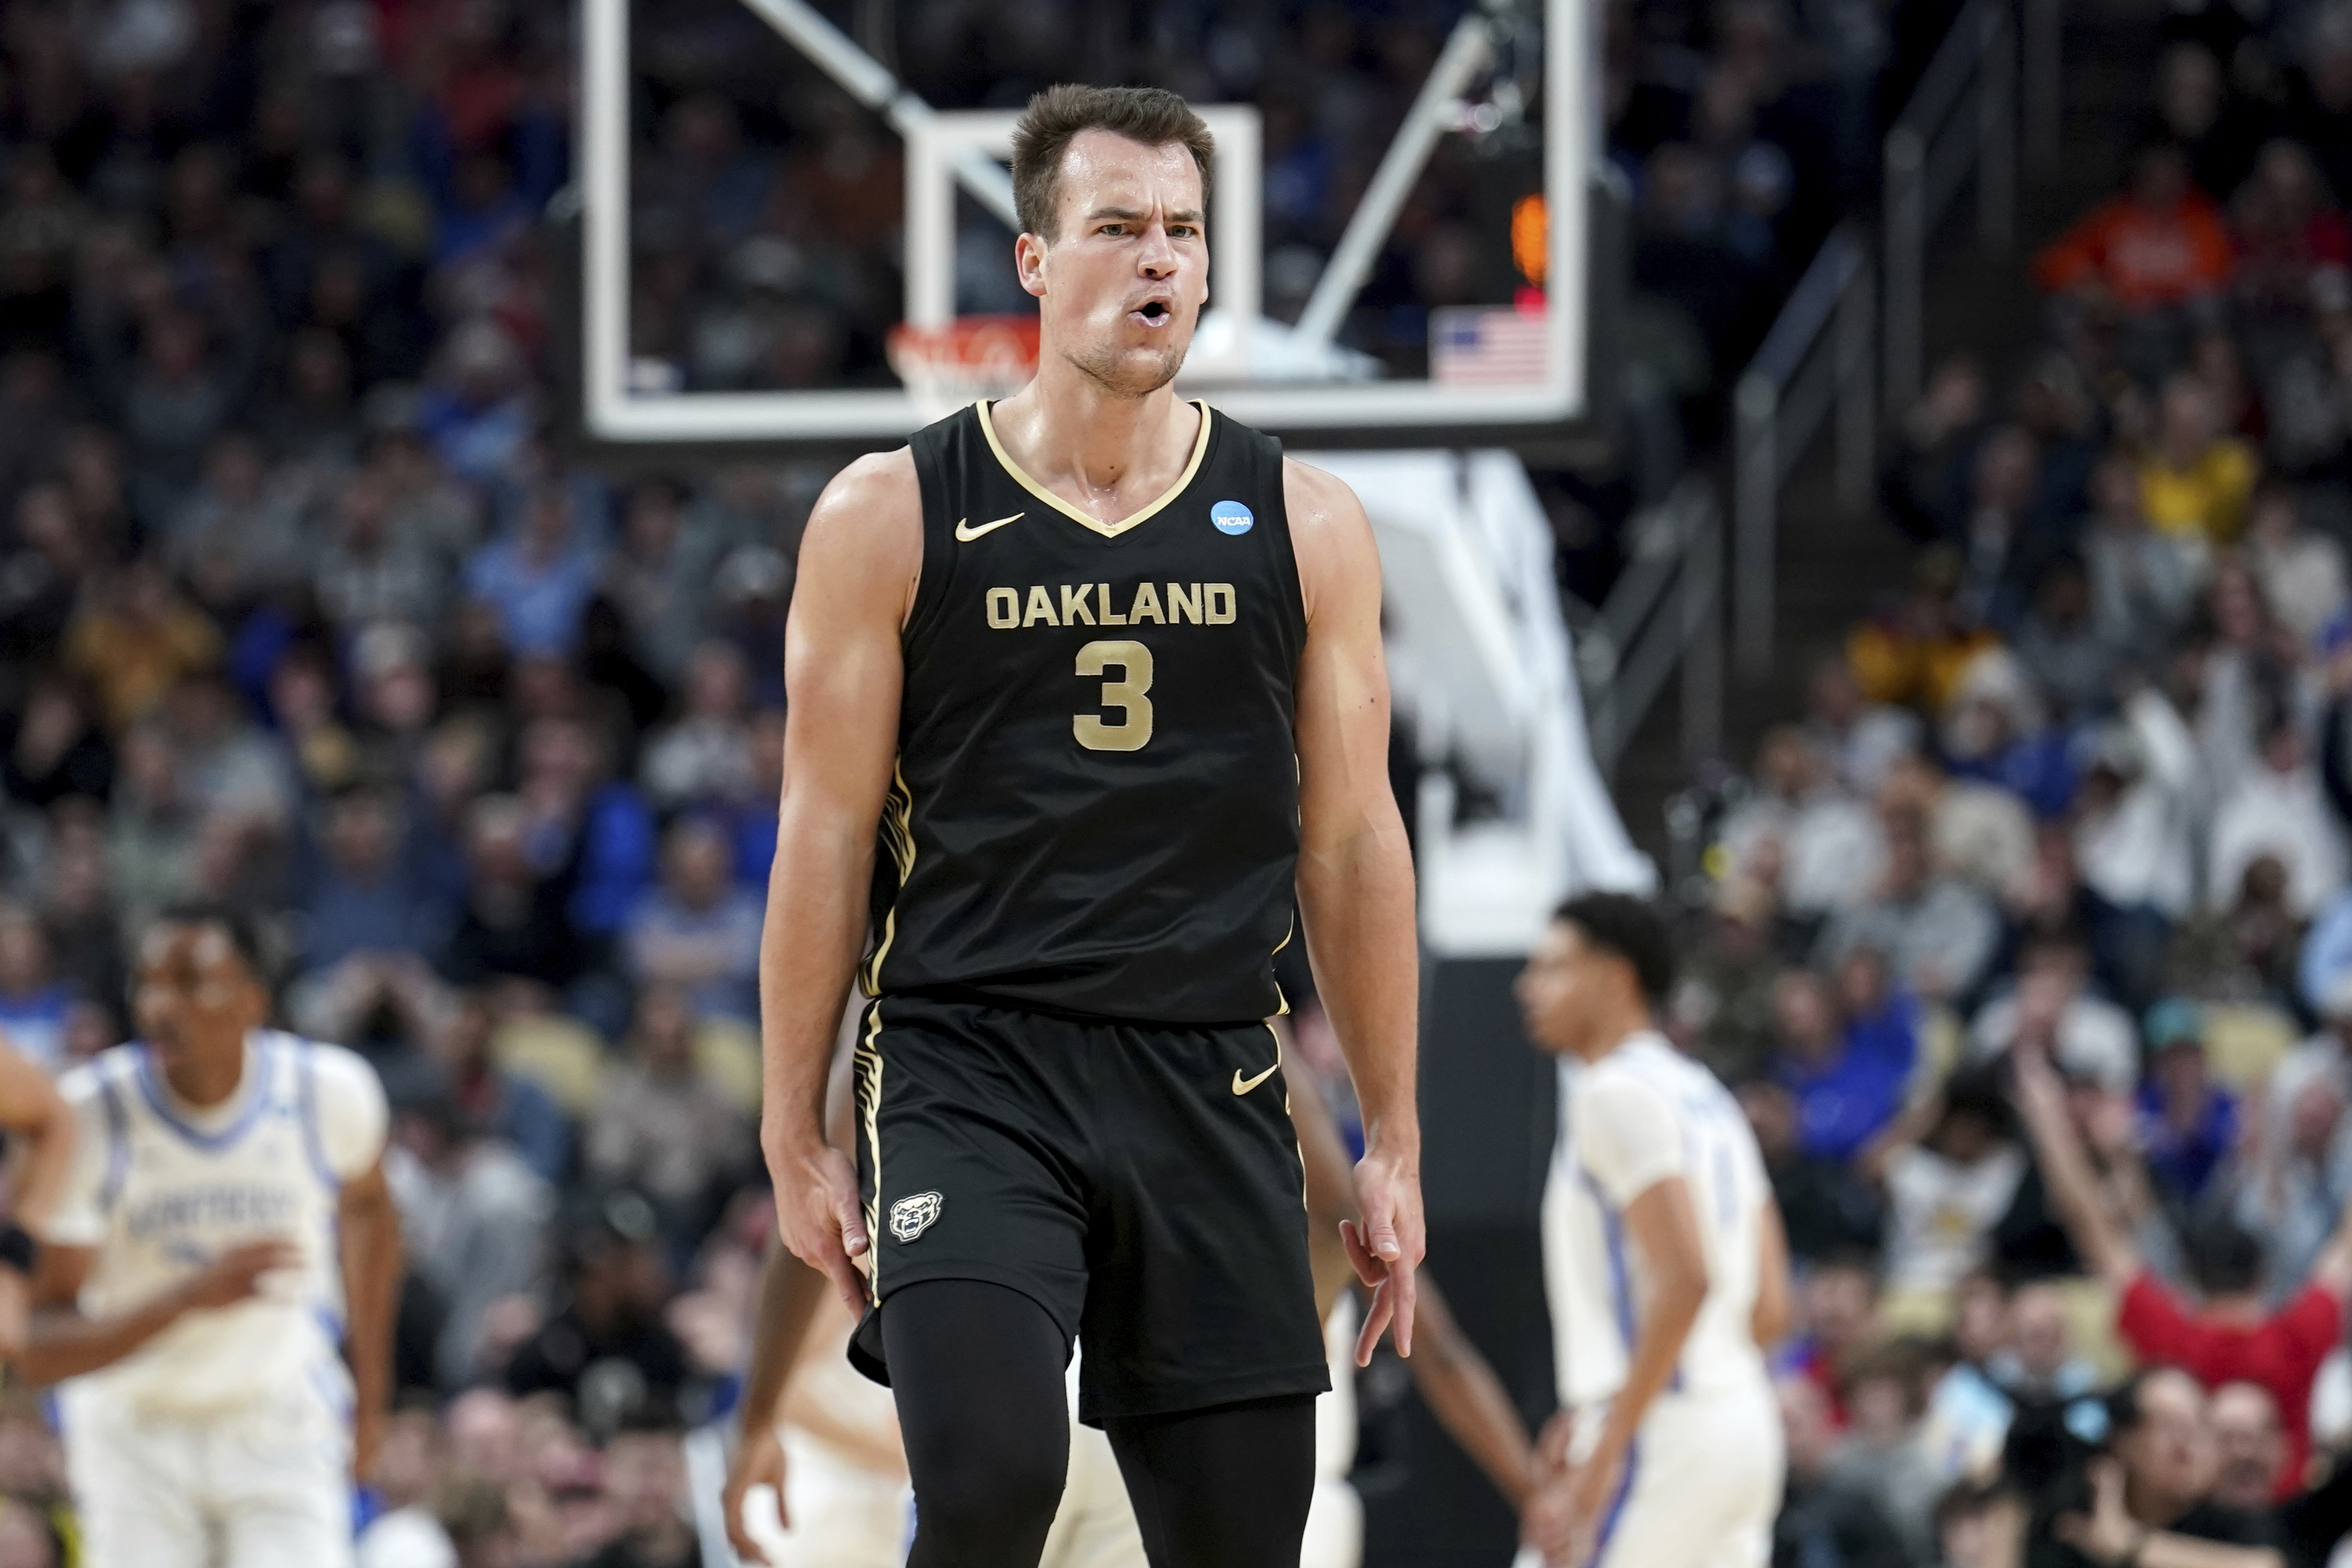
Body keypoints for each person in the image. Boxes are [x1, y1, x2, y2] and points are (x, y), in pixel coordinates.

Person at [756, 84, 1423, 1568]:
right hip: (968, 1055)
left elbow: (1350, 841)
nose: (1158, 256)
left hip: (1206, 1063)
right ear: (1034, 262)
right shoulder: (888, 511)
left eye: (1182, 228)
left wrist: (1393, 1131)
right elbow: (822, 832)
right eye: (1116, 225)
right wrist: (789, 1122)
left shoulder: (1305, 520)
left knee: (1239, 1538)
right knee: (992, 1478)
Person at [23, 906, 402, 1568]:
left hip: (279, 1418)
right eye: (148, 984)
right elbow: (40, 1350)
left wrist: (370, 1401)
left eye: (191, 983)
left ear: (254, 1000)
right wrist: (187, 1297)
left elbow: (371, 1216)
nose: (161, 1007)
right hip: (135, 1432)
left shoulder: (329, 1092)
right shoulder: (87, 1116)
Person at [1513, 893, 1793, 1568]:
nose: (1527, 987)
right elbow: (1772, 1308)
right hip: (1744, 1420)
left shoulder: (1612, 1095)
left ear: (1618, 978)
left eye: (1554, 967)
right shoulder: (1710, 1096)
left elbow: (1687, 1277)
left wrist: (1610, 1438)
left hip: (1660, 1433)